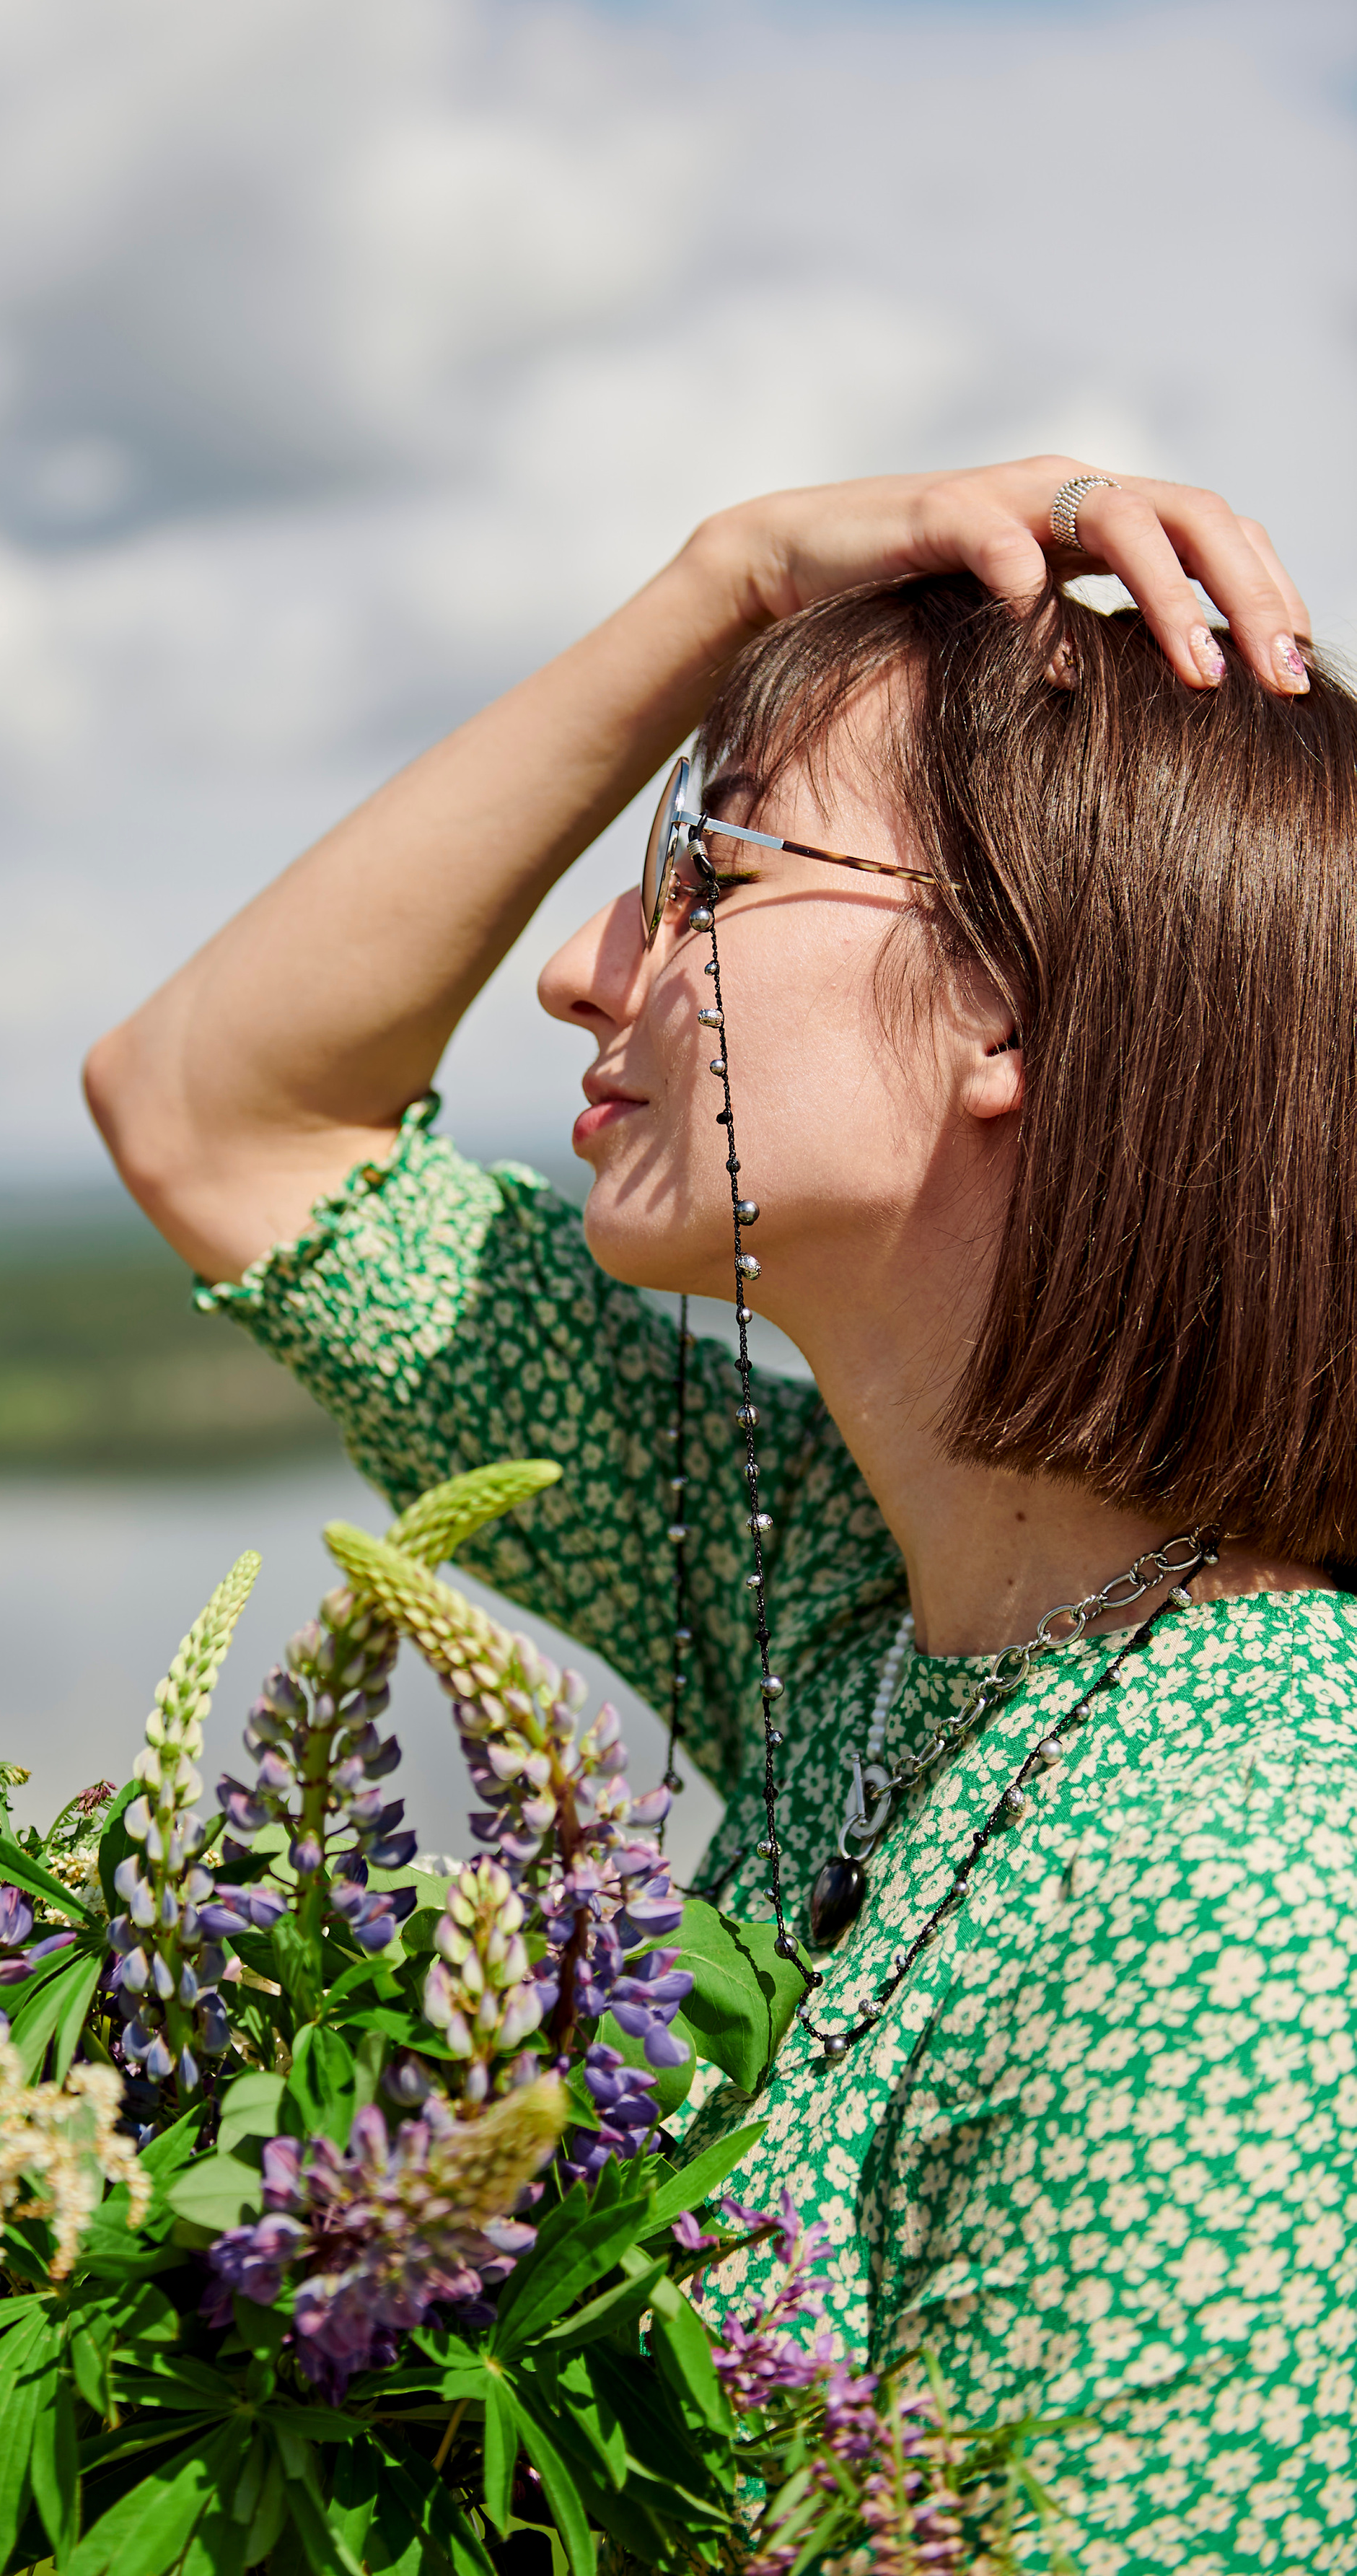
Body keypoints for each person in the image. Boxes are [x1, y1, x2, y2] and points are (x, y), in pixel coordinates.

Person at [84, 460, 1357, 2575]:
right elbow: (216, 1109)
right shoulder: (837, 1603)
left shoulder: (1244, 1898)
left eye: (718, 864)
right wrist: (727, 580)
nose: (588, 973)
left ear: (1015, 1002)